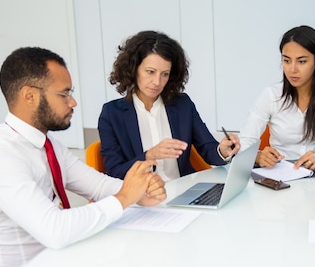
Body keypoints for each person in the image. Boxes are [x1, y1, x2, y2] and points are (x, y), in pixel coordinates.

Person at [0, 47, 167, 267]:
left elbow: (97, 186)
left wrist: (139, 193)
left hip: (52, 264)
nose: (73, 102)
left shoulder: (46, 145)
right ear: (29, 96)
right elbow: (55, 230)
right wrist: (123, 198)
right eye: (64, 94)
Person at [98, 30, 240, 181]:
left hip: (183, 191)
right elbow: (114, 172)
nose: (157, 82)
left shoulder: (183, 105)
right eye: (150, 72)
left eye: (164, 74)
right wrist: (149, 156)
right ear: (133, 69)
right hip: (142, 197)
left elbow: (208, 148)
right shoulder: (112, 114)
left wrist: (223, 151)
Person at [239, 25, 315, 171]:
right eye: (287, 61)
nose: (292, 69)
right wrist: (258, 156)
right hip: (280, 178)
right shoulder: (271, 95)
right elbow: (244, 142)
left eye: (301, 61)